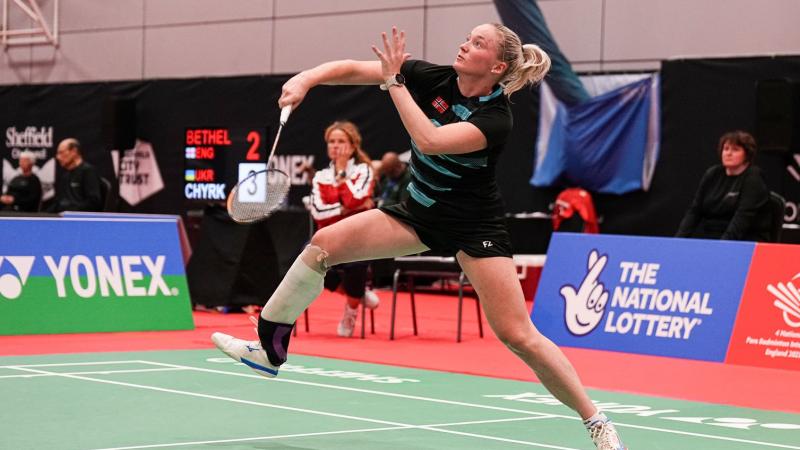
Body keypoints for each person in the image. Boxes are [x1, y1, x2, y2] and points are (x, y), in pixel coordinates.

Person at [212, 23, 627, 450]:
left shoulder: (495, 118)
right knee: (324, 246)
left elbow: (430, 142)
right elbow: (356, 69)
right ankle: (269, 347)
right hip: (417, 213)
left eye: (478, 43)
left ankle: (595, 420)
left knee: (517, 334)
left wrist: (394, 81)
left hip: (473, 226)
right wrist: (308, 79)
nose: (465, 44)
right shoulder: (435, 76)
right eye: (468, 37)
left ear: (497, 65)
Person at [310, 121, 380, 337]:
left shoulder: (363, 171)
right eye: (332, 142)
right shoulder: (320, 176)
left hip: (358, 238)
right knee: (308, 264)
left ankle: (351, 311)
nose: (336, 146)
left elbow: (354, 199)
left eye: (341, 141)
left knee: (356, 265)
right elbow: (318, 212)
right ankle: (357, 295)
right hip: (329, 238)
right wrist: (347, 207)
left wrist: (341, 174)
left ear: (352, 146)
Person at [676, 130, 770, 241]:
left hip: (744, 240)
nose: (728, 153)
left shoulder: (753, 178)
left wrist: (722, 247)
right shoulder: (713, 174)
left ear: (747, 154)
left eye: (735, 149)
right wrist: (678, 241)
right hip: (712, 237)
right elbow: (694, 211)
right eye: (726, 149)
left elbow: (743, 217)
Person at [46, 138, 104, 212]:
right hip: (64, 218)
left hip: (80, 219)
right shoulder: (65, 176)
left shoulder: (88, 172)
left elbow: (94, 202)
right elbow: (59, 204)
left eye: (61, 152)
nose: (57, 157)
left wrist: (70, 211)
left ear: (74, 151)